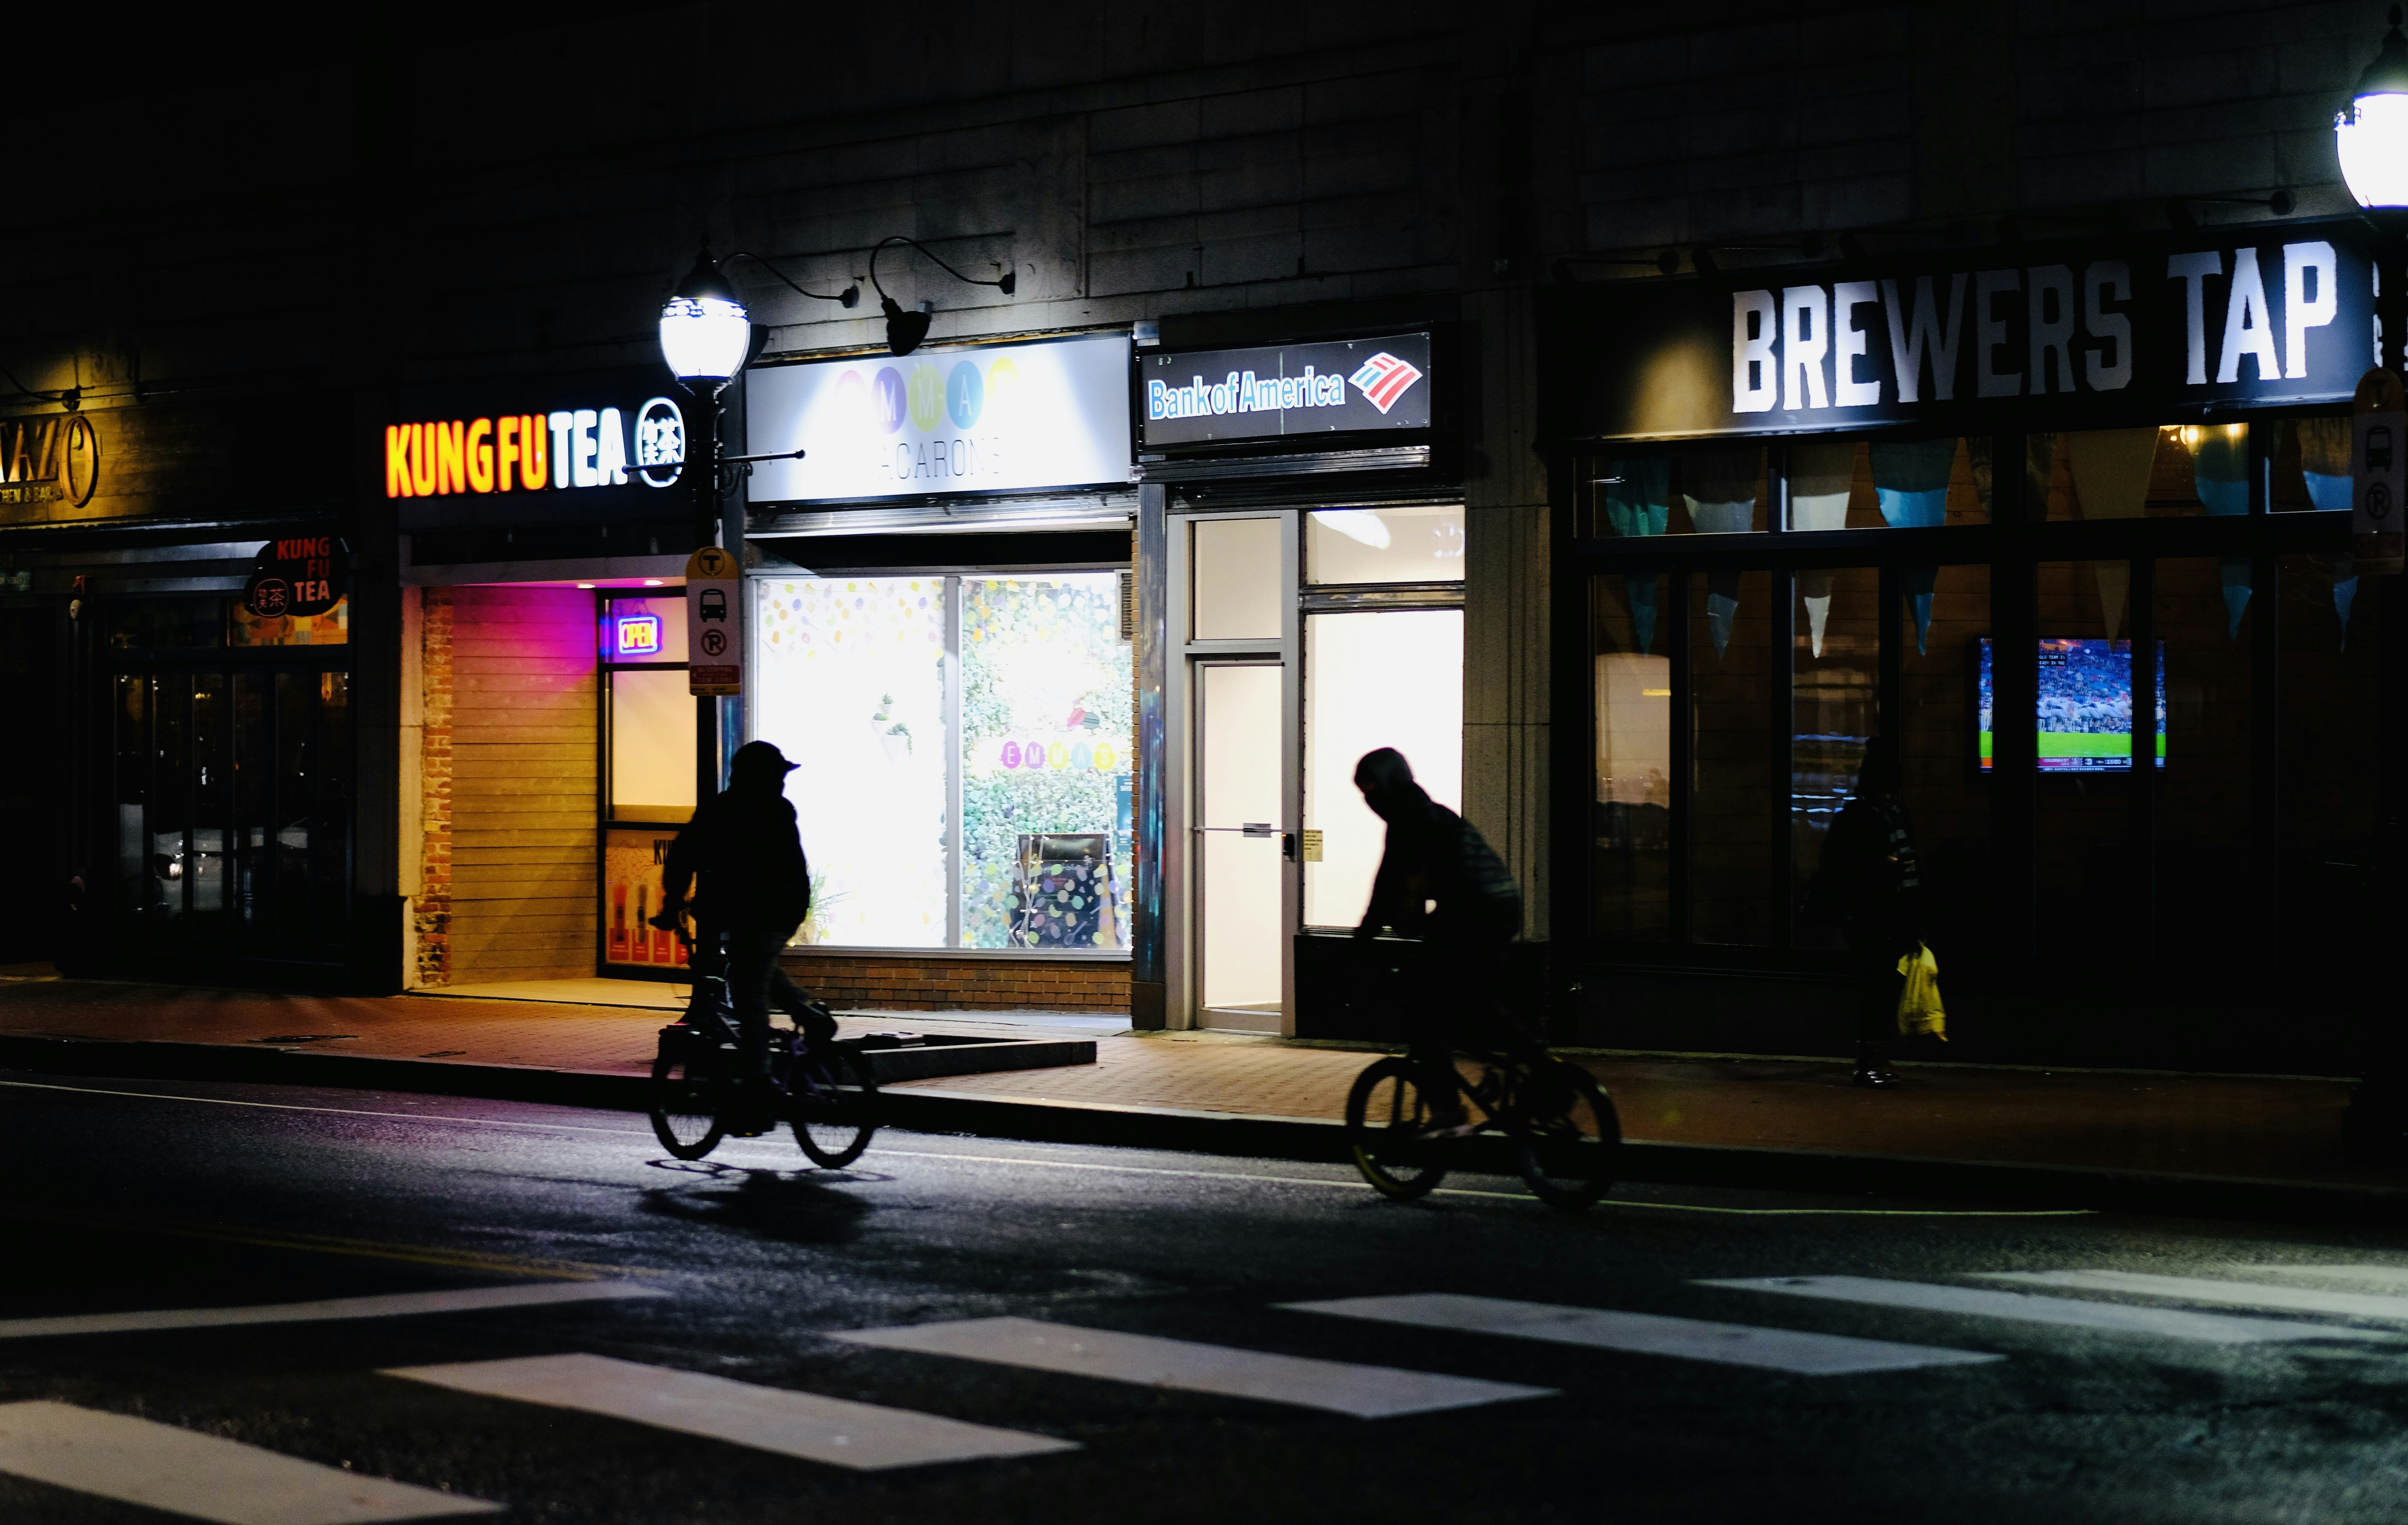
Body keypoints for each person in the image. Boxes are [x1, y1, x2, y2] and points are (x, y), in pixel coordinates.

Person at [649, 740, 834, 1133]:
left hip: (764, 913)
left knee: (750, 992)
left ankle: (758, 1085)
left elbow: (685, 857)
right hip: (767, 912)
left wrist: (674, 905)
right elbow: (689, 856)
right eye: (778, 776)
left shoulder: (727, 811)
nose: (783, 784)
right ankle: (810, 1016)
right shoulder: (768, 810)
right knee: (754, 971)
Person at [1351, 748, 1534, 1134]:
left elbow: (1388, 885)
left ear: (1392, 785)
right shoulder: (1427, 813)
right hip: (1492, 907)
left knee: (1426, 1010)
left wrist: (1362, 939)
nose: (1371, 801)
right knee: (1468, 1000)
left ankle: (1449, 1109)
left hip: (1474, 912)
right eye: (1365, 794)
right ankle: (1530, 1069)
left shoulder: (1409, 818)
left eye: (1373, 791)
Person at [1806, 740, 1922, 1088]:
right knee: (1880, 987)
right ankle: (1873, 1062)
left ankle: (1873, 1061)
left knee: (1880, 987)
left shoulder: (1867, 815)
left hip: (1880, 915)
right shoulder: (1886, 815)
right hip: (1877, 915)